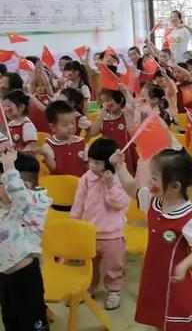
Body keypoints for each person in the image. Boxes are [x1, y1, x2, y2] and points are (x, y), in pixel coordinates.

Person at [111, 148, 192, 331]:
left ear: (175, 186)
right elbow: (132, 189)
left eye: (154, 178)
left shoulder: (190, 218)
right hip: (154, 274)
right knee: (158, 318)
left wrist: (184, 265)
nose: (149, 182)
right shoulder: (154, 201)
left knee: (178, 321)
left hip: (176, 281)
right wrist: (119, 165)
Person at [70, 138, 129, 311]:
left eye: (97, 162)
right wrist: (75, 224)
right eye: (90, 161)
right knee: (89, 265)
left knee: (114, 266)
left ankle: (114, 290)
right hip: (89, 233)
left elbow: (119, 204)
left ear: (110, 164)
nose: (92, 166)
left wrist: (110, 185)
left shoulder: (120, 180)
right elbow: (78, 203)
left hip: (112, 235)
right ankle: (89, 287)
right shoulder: (86, 179)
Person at [0, 145, 52, 331]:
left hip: (25, 276)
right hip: (4, 276)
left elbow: (19, 196)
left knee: (32, 323)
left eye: (1, 183)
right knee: (11, 320)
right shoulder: (5, 206)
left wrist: (8, 167)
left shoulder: (34, 202)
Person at [89, 89, 137, 177]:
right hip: (108, 158)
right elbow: (92, 133)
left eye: (108, 100)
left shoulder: (126, 114)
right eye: (103, 102)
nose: (106, 104)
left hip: (126, 157)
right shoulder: (104, 119)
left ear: (119, 99)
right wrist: (100, 117)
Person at [39, 101, 88, 177]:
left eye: (73, 123)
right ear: (53, 127)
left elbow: (88, 166)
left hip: (82, 184)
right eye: (65, 125)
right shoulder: (49, 145)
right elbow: (54, 169)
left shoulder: (82, 142)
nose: (70, 127)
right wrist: (46, 155)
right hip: (61, 185)